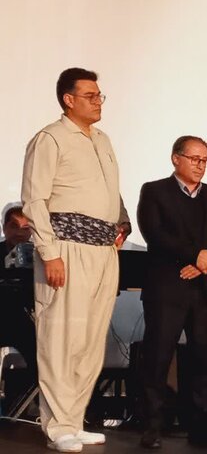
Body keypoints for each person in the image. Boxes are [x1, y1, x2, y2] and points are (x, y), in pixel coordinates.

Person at [21, 68, 131, 452]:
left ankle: (74, 419)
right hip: (66, 247)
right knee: (62, 337)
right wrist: (50, 253)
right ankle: (58, 427)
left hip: (103, 251)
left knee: (90, 340)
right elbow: (34, 199)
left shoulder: (103, 140)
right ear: (69, 100)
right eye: (90, 95)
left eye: (100, 95)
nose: (98, 101)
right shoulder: (50, 138)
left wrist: (122, 222)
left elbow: (111, 191)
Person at [136, 136, 207, 448]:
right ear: (176, 158)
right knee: (158, 359)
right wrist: (195, 256)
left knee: (203, 362)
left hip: (205, 291)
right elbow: (155, 233)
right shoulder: (155, 191)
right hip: (167, 290)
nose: (200, 165)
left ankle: (200, 427)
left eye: (205, 160)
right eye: (195, 159)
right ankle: (152, 426)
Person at [0, 205, 38, 406]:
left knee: (44, 353)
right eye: (14, 226)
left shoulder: (40, 257)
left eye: (25, 228)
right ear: (4, 228)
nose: (20, 233)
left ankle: (31, 405)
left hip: (22, 322)